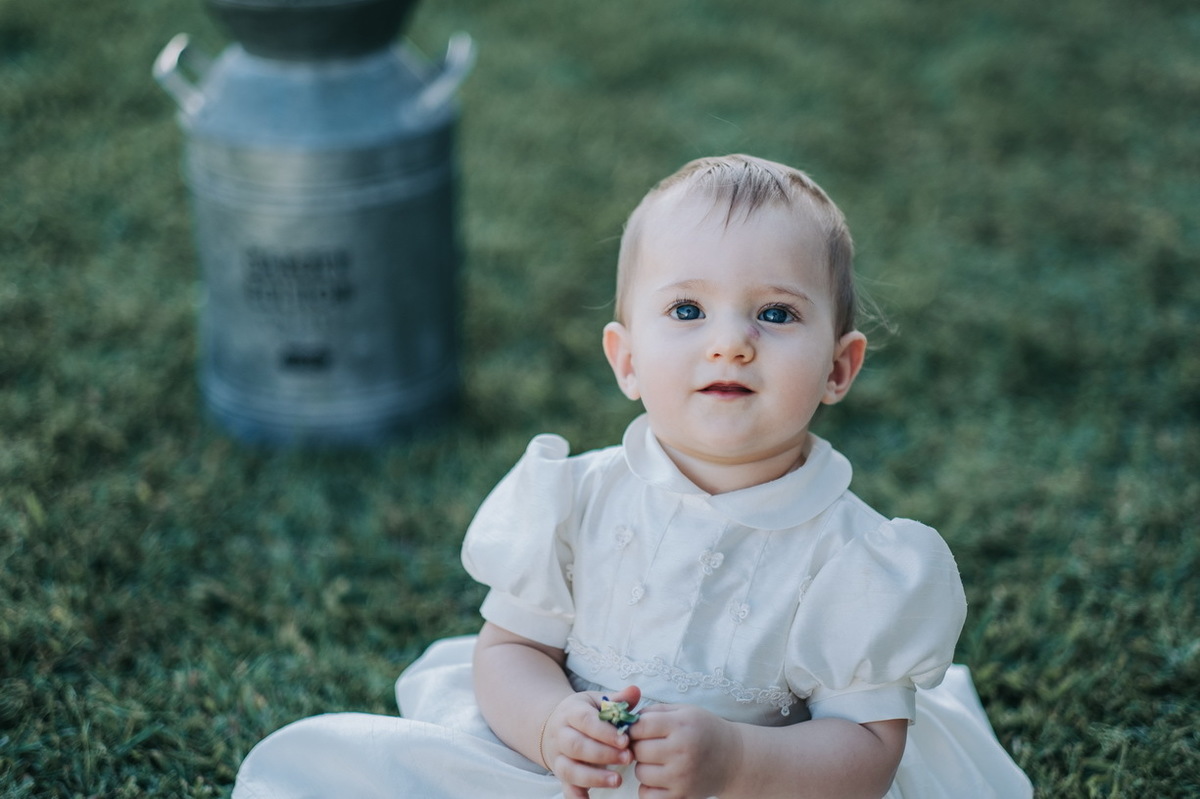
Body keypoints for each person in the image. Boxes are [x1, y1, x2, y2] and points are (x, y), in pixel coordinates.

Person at [233, 154, 1033, 798]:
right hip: (565, 772)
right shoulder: (577, 496)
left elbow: (864, 753)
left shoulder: (855, 558)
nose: (730, 342)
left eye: (776, 313)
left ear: (838, 367)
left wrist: (737, 762)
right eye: (687, 310)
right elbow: (510, 648)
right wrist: (551, 724)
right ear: (626, 359)